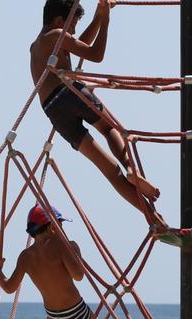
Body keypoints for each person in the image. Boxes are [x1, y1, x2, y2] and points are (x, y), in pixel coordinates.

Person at [29, 0, 164, 228]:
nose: (71, 31)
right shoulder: (57, 34)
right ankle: (130, 167)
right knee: (109, 128)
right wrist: (107, 22)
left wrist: (98, 18)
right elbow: (95, 53)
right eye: (72, 25)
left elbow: (79, 43)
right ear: (60, 20)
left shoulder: (36, 46)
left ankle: (154, 219)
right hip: (68, 90)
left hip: (53, 110)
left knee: (110, 172)